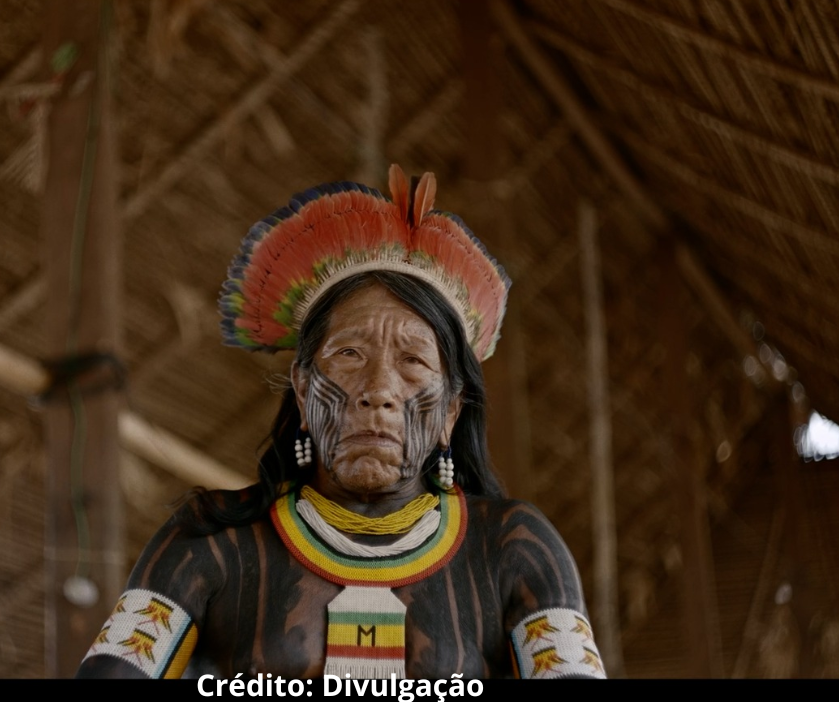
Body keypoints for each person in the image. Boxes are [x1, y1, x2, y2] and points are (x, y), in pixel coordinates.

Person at [75, 165, 606, 680]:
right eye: (349, 353)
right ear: (304, 392)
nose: (378, 391)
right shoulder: (213, 540)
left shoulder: (514, 547)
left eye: (414, 361)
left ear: (450, 412)